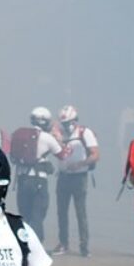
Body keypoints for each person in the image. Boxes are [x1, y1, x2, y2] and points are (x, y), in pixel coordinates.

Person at [10, 107, 64, 244]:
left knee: (25, 215)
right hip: (38, 181)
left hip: (22, 179)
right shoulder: (47, 138)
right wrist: (59, 138)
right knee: (38, 215)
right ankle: (37, 245)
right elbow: (63, 155)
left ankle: (23, 244)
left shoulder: (19, 135)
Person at [53, 106, 100, 257]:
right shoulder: (58, 133)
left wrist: (80, 164)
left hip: (79, 177)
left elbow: (95, 155)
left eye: (68, 123)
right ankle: (63, 243)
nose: (66, 126)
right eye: (63, 123)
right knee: (61, 212)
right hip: (63, 176)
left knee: (81, 212)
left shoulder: (85, 133)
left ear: (75, 121)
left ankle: (84, 246)